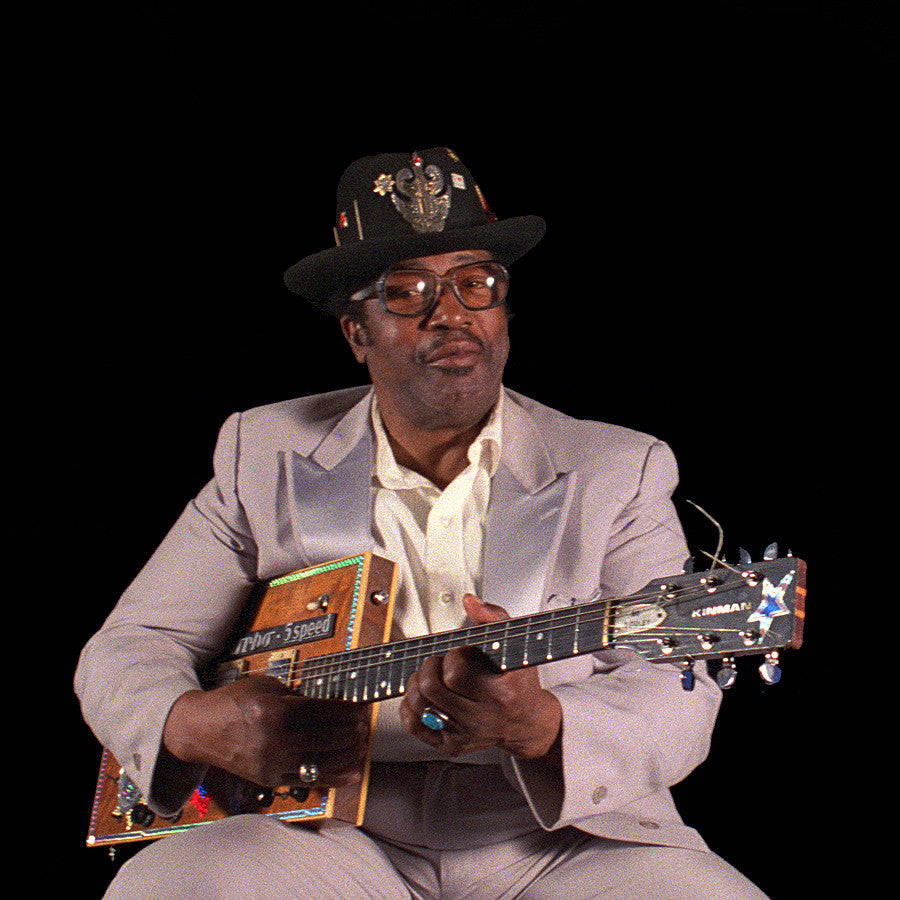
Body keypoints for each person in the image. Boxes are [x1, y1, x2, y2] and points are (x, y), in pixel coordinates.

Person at [76, 147, 769, 898]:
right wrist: (188, 725)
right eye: (406, 292)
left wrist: (540, 726)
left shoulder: (618, 468)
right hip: (327, 828)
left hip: (560, 835)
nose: (452, 313)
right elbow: (132, 646)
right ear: (355, 332)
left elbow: (678, 687)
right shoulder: (263, 452)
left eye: (477, 284)